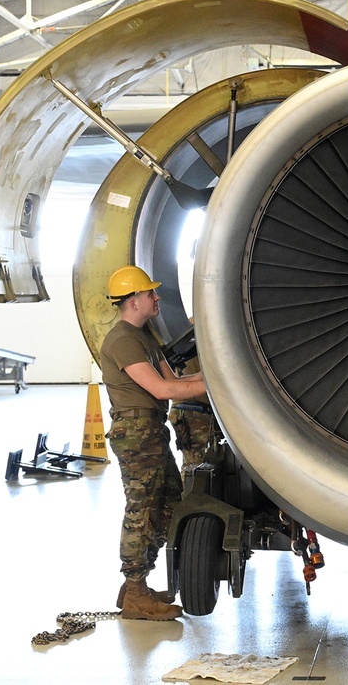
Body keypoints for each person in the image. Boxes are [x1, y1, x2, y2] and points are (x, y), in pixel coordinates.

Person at [100, 265, 207, 621]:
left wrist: (215, 373)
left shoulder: (145, 337)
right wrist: (218, 383)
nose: (156, 297)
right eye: (150, 293)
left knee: (167, 504)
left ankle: (138, 585)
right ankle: (134, 589)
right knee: (141, 510)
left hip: (153, 429)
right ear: (133, 301)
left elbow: (174, 379)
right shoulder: (122, 340)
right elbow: (162, 390)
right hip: (135, 433)